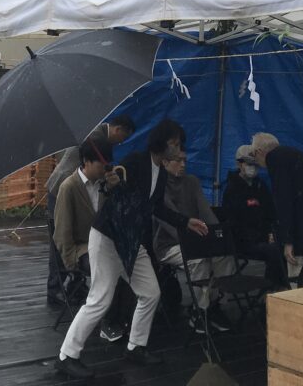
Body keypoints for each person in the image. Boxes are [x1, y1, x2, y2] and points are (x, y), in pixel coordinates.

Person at [56, 119, 208, 379]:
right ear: (161, 143)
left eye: (179, 144)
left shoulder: (160, 172)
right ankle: (67, 355)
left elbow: (157, 208)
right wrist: (114, 181)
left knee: (150, 292)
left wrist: (186, 221)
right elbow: (116, 177)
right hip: (107, 238)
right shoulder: (138, 161)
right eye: (173, 143)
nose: (177, 149)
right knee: (100, 299)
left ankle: (136, 346)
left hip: (130, 242)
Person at [46, 115, 136, 305]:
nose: (122, 142)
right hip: (64, 187)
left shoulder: (99, 137)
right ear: (118, 129)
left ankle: (74, 285)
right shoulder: (96, 137)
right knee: (61, 234)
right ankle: (56, 288)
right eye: (123, 138)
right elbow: (62, 237)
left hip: (86, 187)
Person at [53, 136, 132, 344]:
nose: (105, 169)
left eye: (108, 164)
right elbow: (62, 232)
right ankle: (107, 320)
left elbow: (123, 215)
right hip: (82, 248)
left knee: (129, 265)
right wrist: (70, 263)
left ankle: (119, 318)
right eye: (101, 164)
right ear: (86, 162)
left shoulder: (104, 184)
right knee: (109, 269)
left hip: (106, 244)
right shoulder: (68, 187)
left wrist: (117, 189)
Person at [153, 149, 232, 333]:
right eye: (178, 161)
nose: (183, 165)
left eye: (184, 161)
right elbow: (169, 223)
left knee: (224, 255)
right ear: (165, 162)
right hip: (168, 244)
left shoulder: (192, 182)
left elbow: (205, 211)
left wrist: (218, 235)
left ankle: (216, 303)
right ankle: (200, 310)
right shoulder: (158, 186)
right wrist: (197, 242)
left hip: (196, 237)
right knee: (198, 260)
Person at [249, 132, 303, 288]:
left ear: (259, 152)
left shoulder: (275, 159)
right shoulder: (293, 155)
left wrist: (287, 240)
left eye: (253, 155)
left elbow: (284, 200)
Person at [221, 144, 288, 289]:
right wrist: (260, 237)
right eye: (249, 164)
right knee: (274, 252)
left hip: (264, 238)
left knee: (283, 246)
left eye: (255, 164)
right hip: (243, 242)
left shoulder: (261, 186)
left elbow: (271, 213)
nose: (253, 167)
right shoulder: (232, 189)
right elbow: (233, 222)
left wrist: (272, 232)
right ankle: (271, 289)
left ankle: (280, 288)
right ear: (239, 164)